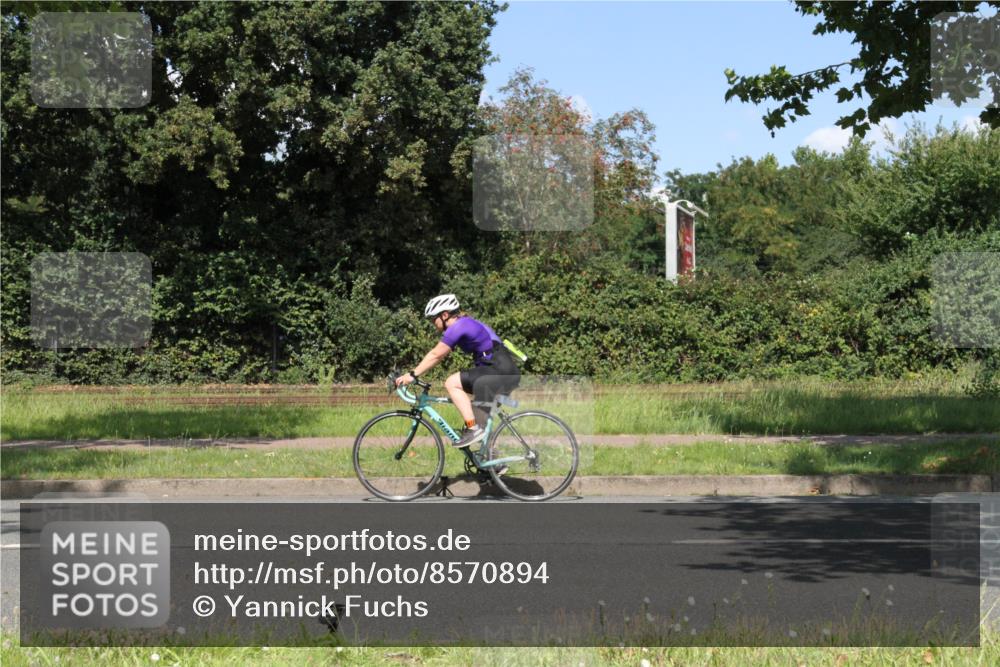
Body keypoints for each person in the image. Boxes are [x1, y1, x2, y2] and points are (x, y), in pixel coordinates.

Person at [395, 294, 521, 448]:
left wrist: (412, 375)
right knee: (478, 415)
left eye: (433, 319)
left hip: (499, 370)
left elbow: (436, 354)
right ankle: (491, 465)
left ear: (445, 315)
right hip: (503, 370)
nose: (432, 323)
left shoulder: (459, 326)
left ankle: (472, 429)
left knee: (452, 383)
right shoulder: (467, 323)